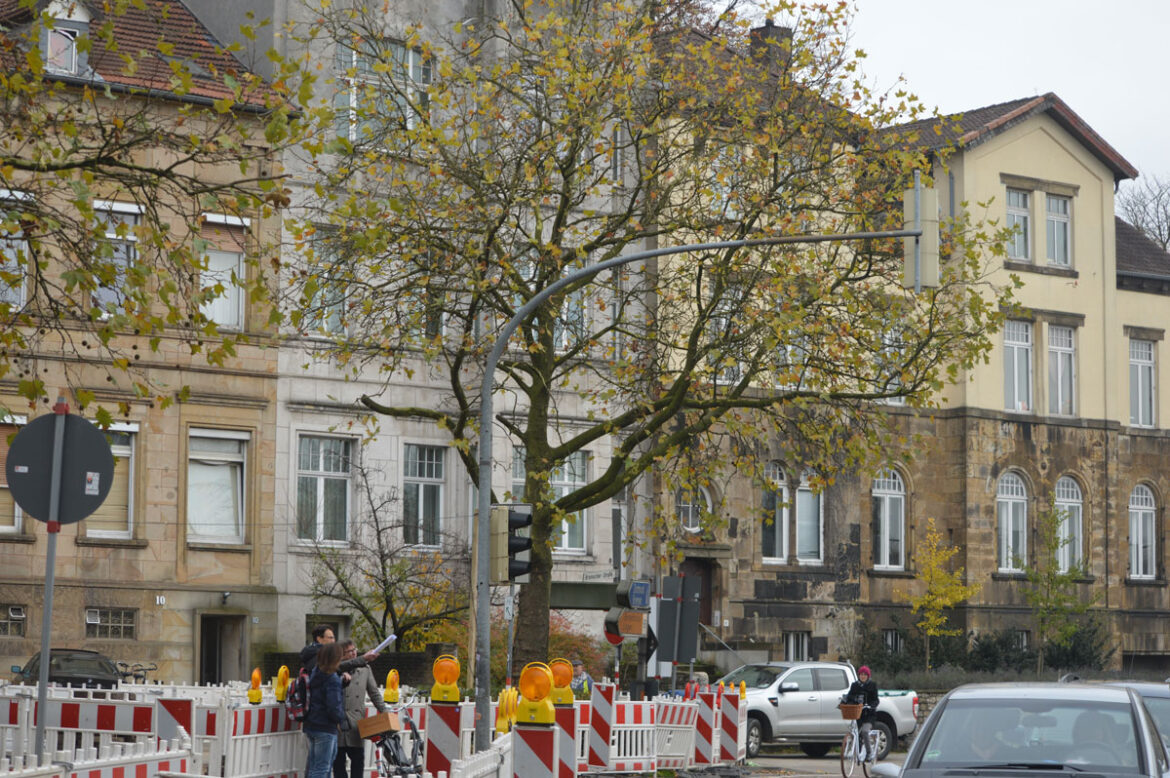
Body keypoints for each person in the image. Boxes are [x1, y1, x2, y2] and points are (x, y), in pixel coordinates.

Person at [334, 640, 388, 778]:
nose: (354, 653)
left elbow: (374, 692)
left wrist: (385, 711)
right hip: (338, 723)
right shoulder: (334, 669)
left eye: (354, 650)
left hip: (356, 723)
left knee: (358, 761)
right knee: (338, 762)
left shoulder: (365, 669)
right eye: (349, 651)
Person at [304, 642, 348, 778]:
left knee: (314, 766)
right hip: (326, 727)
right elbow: (333, 707)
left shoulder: (315, 673)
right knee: (323, 768)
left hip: (311, 724)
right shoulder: (332, 679)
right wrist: (341, 720)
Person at [300, 624, 380, 673]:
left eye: (334, 638)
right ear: (319, 639)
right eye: (330, 638)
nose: (333, 641)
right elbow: (337, 667)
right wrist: (363, 658)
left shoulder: (313, 652)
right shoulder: (318, 655)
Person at [844, 665, 879, 761]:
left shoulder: (872, 685)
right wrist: (848, 701)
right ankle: (857, 751)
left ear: (868, 676)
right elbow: (850, 696)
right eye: (861, 674)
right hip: (857, 714)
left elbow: (876, 700)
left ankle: (869, 752)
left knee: (865, 731)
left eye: (865, 674)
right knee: (856, 731)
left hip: (869, 715)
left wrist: (871, 706)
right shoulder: (855, 685)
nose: (863, 676)